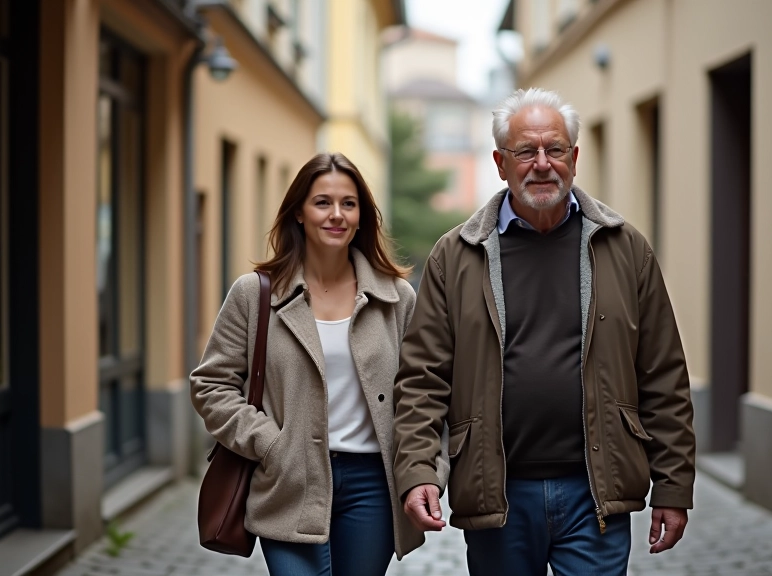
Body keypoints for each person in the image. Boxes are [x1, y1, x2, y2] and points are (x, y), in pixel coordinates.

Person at [392, 88, 696, 575]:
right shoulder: (457, 255)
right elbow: (422, 379)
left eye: (554, 149)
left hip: (595, 492)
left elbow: (663, 374)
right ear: (499, 162)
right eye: (525, 151)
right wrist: (417, 470)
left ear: (574, 158)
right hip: (498, 495)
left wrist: (674, 485)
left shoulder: (624, 248)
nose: (541, 163)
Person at [191, 152, 447, 576]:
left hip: (372, 486)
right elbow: (211, 385)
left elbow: (425, 391)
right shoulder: (255, 295)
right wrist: (270, 443)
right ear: (298, 213)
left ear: (362, 216)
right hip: (289, 480)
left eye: (349, 204)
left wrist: (428, 471)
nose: (337, 215)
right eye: (322, 202)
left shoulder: (396, 299)